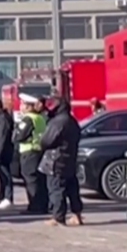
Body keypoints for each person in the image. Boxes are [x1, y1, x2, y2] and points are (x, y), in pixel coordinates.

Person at [39, 98, 84, 226]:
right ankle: (77, 215)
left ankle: (58, 217)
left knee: (56, 189)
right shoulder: (72, 121)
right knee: (72, 189)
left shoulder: (58, 122)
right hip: (70, 159)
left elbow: (46, 141)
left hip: (56, 160)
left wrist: (41, 142)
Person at [13, 96, 49, 214]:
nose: (21, 107)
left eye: (22, 105)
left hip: (29, 152)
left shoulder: (28, 118)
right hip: (39, 151)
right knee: (40, 179)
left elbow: (19, 136)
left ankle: (35, 206)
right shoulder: (40, 118)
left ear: (28, 106)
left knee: (31, 180)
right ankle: (43, 205)